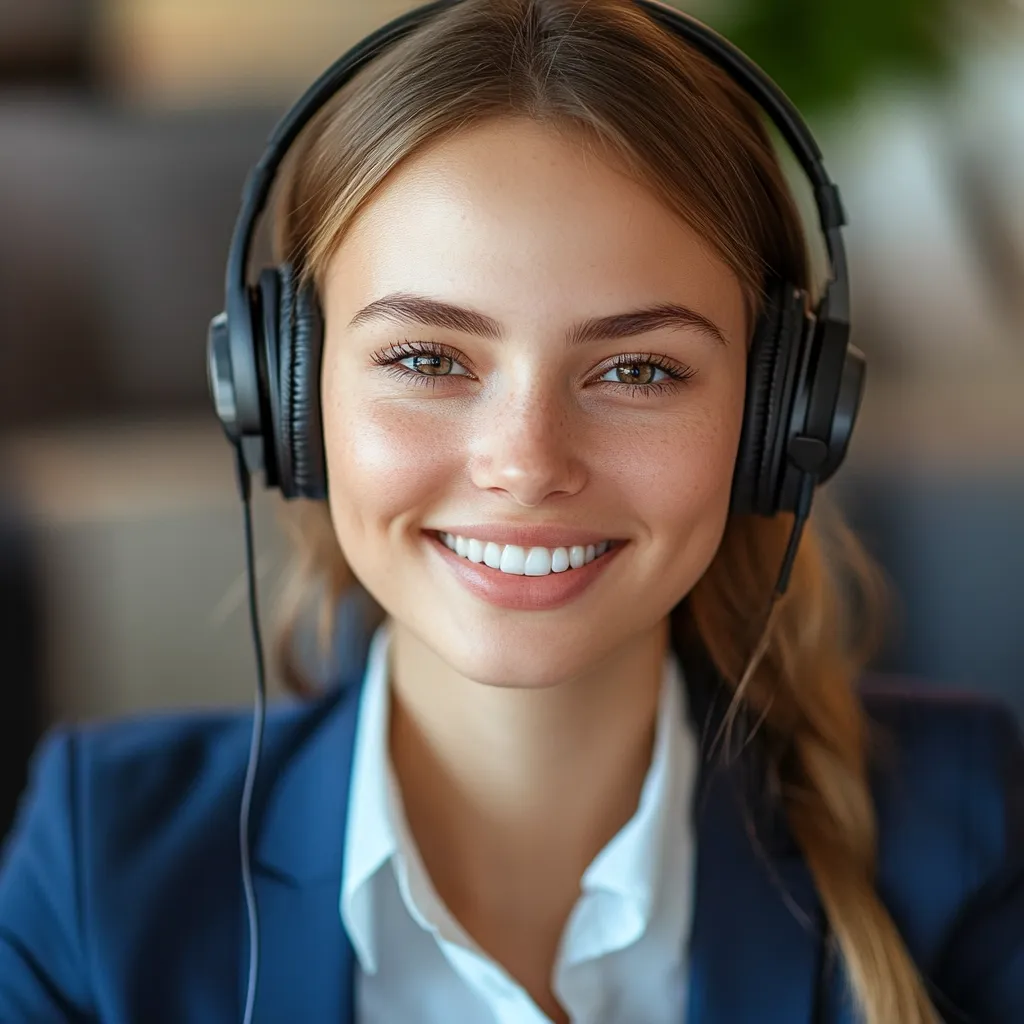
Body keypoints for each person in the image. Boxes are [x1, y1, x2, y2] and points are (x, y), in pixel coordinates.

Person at [1, 1, 1021, 1022]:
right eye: (427, 359)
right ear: (288, 394)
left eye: (637, 369)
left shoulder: (961, 829)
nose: (527, 465)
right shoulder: (103, 868)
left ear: (778, 413)